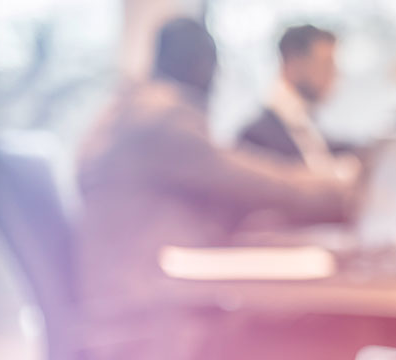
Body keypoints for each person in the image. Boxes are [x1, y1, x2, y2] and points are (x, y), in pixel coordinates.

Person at [76, 18, 354, 359]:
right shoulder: (162, 118)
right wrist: (344, 191)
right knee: (316, 334)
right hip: (152, 311)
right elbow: (255, 180)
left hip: (130, 297)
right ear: (202, 67)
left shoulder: (129, 111)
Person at [236, 25, 352, 176]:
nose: (335, 74)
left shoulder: (307, 126)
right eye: (326, 64)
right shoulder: (255, 138)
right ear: (293, 63)